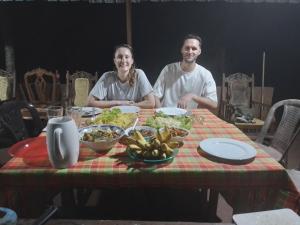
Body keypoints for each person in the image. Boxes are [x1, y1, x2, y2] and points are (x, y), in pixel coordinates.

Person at [153, 34, 218, 110]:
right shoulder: (168, 69)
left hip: (189, 117)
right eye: (187, 48)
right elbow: (155, 95)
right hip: (167, 115)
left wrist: (193, 96)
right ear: (182, 50)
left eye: (194, 48)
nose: (190, 51)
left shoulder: (205, 74)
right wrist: (160, 112)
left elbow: (214, 104)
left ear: (199, 51)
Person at [88, 44, 155, 108]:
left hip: (135, 116)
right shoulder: (107, 76)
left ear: (132, 61)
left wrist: (131, 106)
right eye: (119, 57)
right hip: (113, 117)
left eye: (127, 57)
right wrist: (118, 103)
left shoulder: (139, 74)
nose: (123, 60)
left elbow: (151, 102)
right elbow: (89, 102)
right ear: (114, 61)